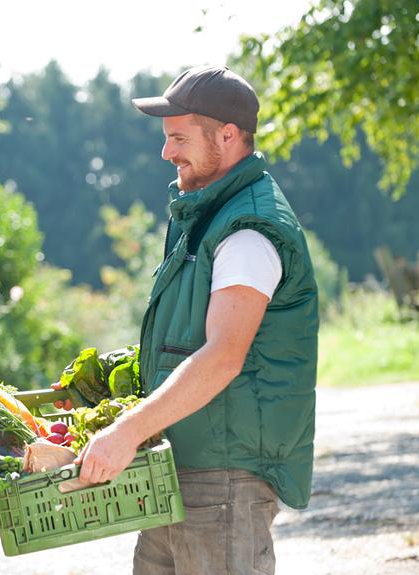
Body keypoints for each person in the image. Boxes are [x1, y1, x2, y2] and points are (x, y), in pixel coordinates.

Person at [73, 66, 318, 574]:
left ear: (228, 136)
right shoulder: (205, 213)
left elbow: (223, 356)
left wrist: (124, 432)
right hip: (179, 465)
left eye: (179, 138)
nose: (167, 152)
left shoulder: (249, 231)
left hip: (222, 479)